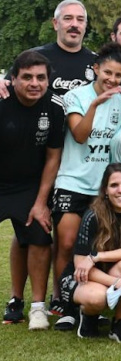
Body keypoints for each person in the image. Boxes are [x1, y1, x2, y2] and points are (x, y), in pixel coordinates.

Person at [1, 0, 95, 323]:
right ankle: (17, 297)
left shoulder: (94, 65)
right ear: (56, 23)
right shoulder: (38, 56)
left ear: (85, 24)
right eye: (67, 18)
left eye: (79, 19)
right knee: (24, 232)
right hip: (22, 167)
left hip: (64, 165)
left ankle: (55, 298)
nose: (73, 24)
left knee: (43, 232)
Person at [50, 44, 121, 328]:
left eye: (118, 75)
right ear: (95, 68)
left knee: (99, 245)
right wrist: (96, 104)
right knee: (68, 244)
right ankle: (63, 301)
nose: (112, 79)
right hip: (72, 182)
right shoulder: (77, 96)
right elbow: (80, 135)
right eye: (107, 72)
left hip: (102, 187)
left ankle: (91, 299)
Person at [0, 51, 64, 329]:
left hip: (29, 185)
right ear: (13, 79)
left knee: (39, 235)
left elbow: (53, 157)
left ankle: (38, 307)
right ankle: (15, 300)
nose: (34, 83)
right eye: (26, 77)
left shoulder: (55, 106)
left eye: (40, 77)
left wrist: (41, 202)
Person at [63, 164, 121, 343]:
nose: (120, 190)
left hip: (110, 270)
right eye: (114, 185)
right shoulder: (92, 215)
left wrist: (97, 256)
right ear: (105, 191)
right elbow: (81, 266)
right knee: (96, 297)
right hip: (84, 277)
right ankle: (88, 317)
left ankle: (120, 324)